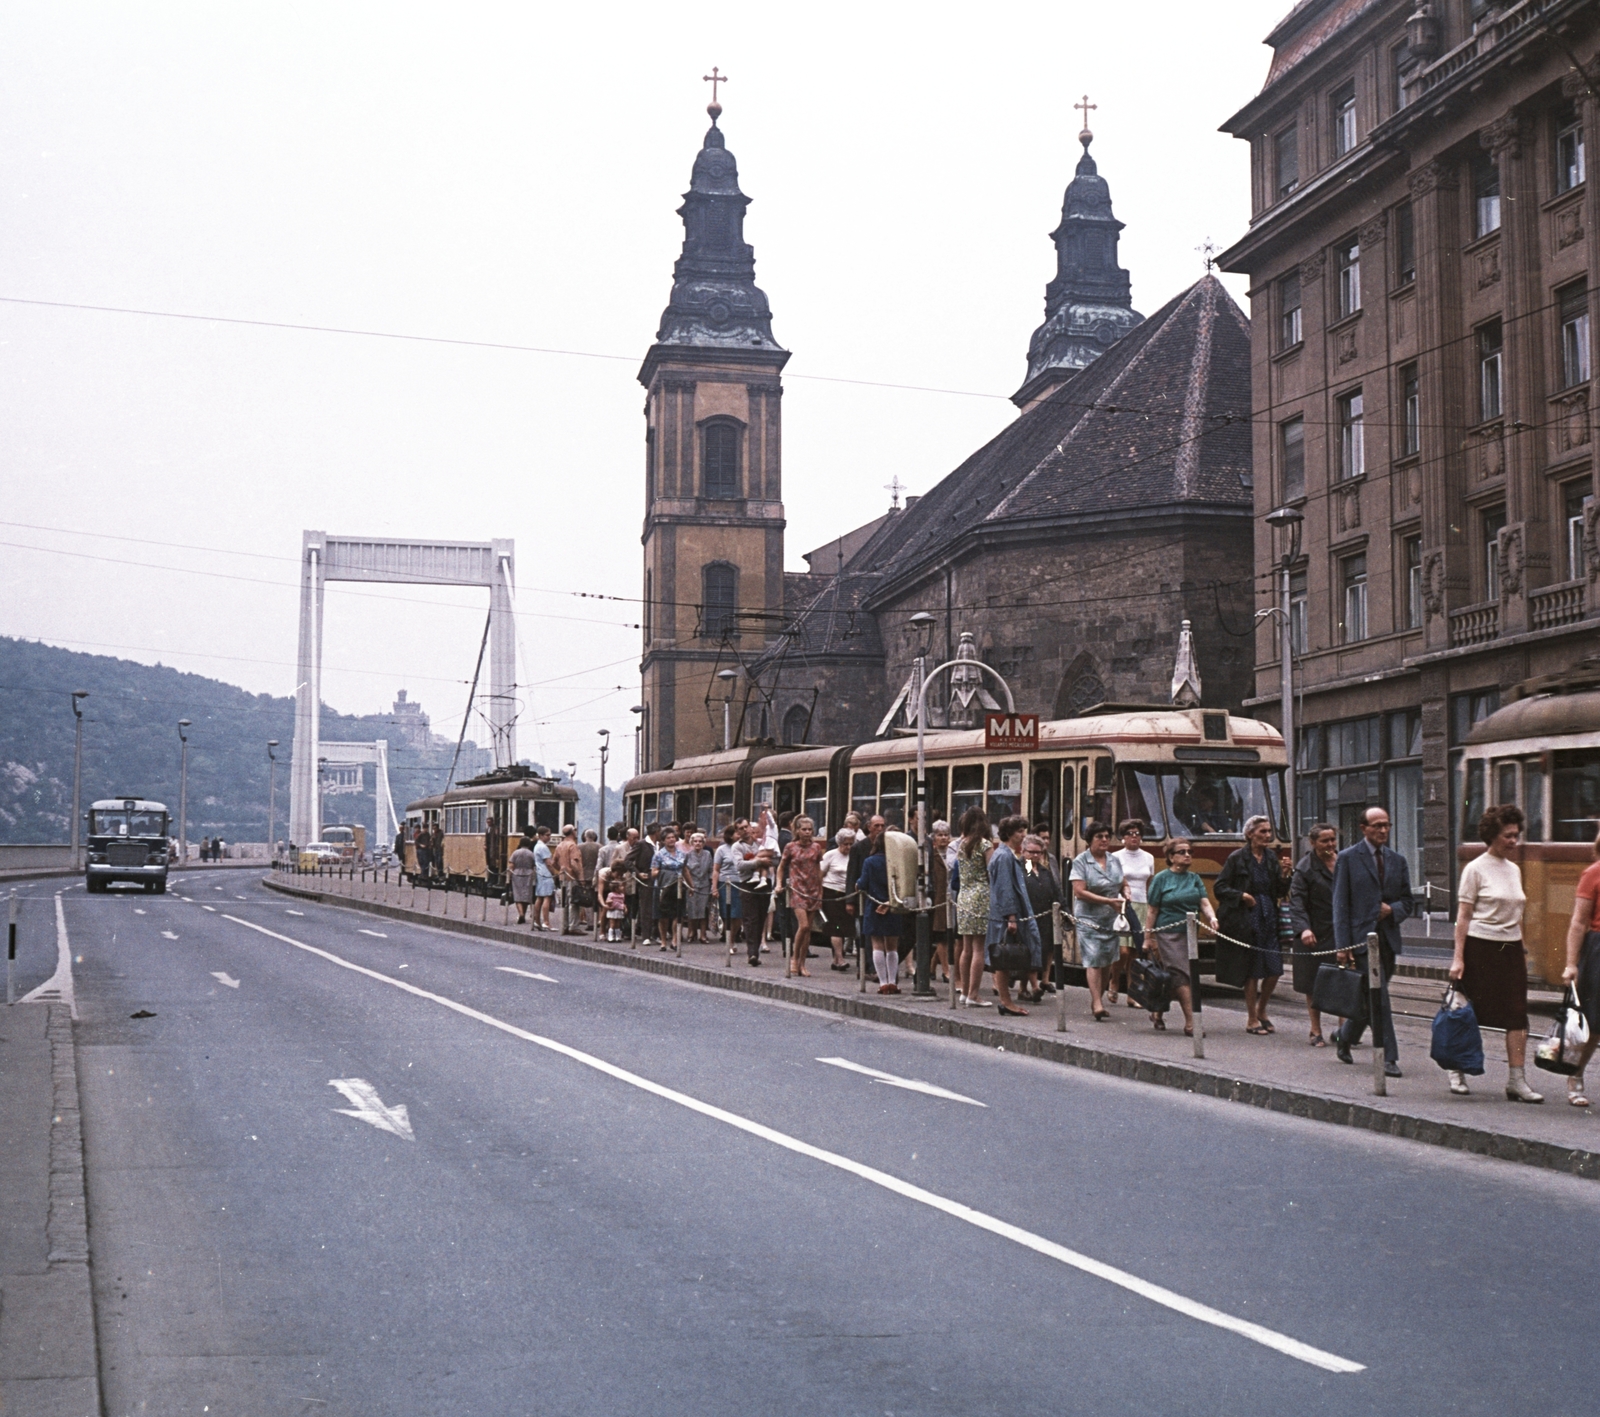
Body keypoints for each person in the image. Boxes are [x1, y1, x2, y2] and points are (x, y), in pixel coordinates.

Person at [1450, 804, 1542, 1102]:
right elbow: (1463, 917)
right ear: (1493, 836)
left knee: (1517, 1013)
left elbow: (1517, 913)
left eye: (1517, 835)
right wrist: (1458, 957)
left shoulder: (1514, 870)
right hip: (1480, 946)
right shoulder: (1475, 869)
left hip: (1510, 948)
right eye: (1508, 836)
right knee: (1466, 1012)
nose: (1514, 841)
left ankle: (1517, 1080)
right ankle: (1456, 1069)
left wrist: (1523, 947)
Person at [1331, 806, 1412, 1077]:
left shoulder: (1397, 860)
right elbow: (1340, 905)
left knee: (1371, 998)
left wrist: (1393, 910)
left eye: (1386, 825)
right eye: (1376, 825)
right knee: (1381, 1000)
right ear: (1363, 828)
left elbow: (1407, 901)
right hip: (1361, 941)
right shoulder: (1348, 858)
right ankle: (1389, 1056)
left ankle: (1345, 1036)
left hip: (1387, 939)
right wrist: (1343, 946)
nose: (1382, 830)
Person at [1215, 815, 1289, 1035]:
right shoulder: (1237, 858)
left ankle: (1262, 1009)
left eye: (1269, 831)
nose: (1267, 835)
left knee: (1274, 967)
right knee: (1252, 969)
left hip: (1269, 916)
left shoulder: (1270, 859)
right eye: (1263, 831)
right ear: (1250, 835)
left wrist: (1285, 875)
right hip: (1247, 918)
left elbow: (1278, 892)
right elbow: (1220, 887)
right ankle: (1251, 1018)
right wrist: (1242, 896)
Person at [1144, 837, 1214, 1035]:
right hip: (1168, 934)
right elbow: (1152, 911)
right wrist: (1148, 938)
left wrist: (1212, 918)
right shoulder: (1161, 879)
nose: (1187, 856)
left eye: (1189, 852)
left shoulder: (1194, 878)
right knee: (1181, 975)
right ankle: (1192, 1022)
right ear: (1170, 857)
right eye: (1182, 852)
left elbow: (1204, 902)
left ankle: (1157, 1011)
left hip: (1190, 934)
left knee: (1179, 975)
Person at [1288, 823, 1339, 1046]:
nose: (1330, 845)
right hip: (1314, 931)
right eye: (1324, 841)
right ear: (1313, 843)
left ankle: (1343, 1030)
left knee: (1343, 980)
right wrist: (1304, 928)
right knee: (1313, 983)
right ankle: (1315, 1030)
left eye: (1332, 840)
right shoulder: (1305, 868)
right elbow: (1296, 900)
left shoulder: (1343, 861)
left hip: (1339, 930)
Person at [1560, 826, 1600, 1107]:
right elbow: (1578, 922)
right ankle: (1575, 1072)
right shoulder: (1592, 874)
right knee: (1595, 1024)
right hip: (1598, 949)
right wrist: (1571, 964)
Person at [1070, 821, 1125, 1020]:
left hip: (1112, 918)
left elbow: (1122, 882)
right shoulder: (1081, 861)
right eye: (1099, 837)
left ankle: (1098, 998)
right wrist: (1108, 900)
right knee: (1093, 959)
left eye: (1107, 836)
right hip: (1088, 917)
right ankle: (1097, 1003)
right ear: (1090, 840)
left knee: (1107, 961)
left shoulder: (1114, 860)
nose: (1104, 840)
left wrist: (1124, 892)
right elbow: (1079, 891)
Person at [987, 815, 1038, 1016]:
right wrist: (1011, 916)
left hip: (1007, 913)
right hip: (1005, 915)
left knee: (1005, 957)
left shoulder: (1008, 855)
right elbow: (1005, 888)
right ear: (1009, 833)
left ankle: (1006, 999)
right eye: (1019, 831)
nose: (1023, 835)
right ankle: (1006, 1001)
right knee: (1004, 957)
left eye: (1024, 830)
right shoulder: (1005, 856)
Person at [1109, 820, 1156, 1007]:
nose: (1134, 836)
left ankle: (1132, 992)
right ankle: (1114, 981)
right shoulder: (1115, 857)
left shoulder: (1149, 857)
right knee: (1123, 951)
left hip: (1142, 904)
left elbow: (1149, 881)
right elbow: (1113, 882)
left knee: (1137, 952)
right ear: (1122, 837)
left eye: (1137, 833)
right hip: (1122, 906)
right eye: (1129, 833)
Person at [777, 815, 827, 977]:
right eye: (803, 829)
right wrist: (779, 884)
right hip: (797, 890)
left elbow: (818, 868)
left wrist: (821, 889)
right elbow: (781, 866)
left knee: (808, 930)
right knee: (803, 925)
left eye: (809, 829)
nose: (807, 832)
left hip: (813, 890)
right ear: (797, 830)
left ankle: (802, 964)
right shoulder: (790, 847)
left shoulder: (816, 848)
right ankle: (794, 957)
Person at [954, 808, 993, 1007]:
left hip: (964, 896)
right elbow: (991, 871)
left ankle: (964, 991)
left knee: (966, 948)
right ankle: (974, 994)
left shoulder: (962, 844)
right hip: (981, 895)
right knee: (979, 948)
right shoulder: (985, 844)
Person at [1021, 833, 1063, 1002]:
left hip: (1044, 918)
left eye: (1038, 852)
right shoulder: (1023, 868)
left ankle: (1023, 989)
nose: (1035, 855)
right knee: (1031, 952)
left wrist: (1064, 910)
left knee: (1041, 951)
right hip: (1028, 918)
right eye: (1031, 852)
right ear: (1023, 851)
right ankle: (1035, 986)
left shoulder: (1044, 871)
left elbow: (1056, 892)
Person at [858, 834, 901, 993]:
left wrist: (857, 885)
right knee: (892, 946)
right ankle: (892, 982)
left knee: (877, 944)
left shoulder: (870, 861)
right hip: (893, 906)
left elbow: (862, 883)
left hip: (874, 905)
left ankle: (883, 983)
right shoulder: (896, 861)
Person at [847, 816, 886, 981]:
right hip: (863, 896)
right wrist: (849, 900)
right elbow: (851, 874)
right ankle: (865, 967)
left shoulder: (885, 846)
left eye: (882, 825)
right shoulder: (859, 847)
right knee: (863, 933)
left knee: (876, 934)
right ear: (869, 827)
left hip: (879, 897)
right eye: (877, 825)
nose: (880, 828)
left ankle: (876, 968)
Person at [818, 827, 856, 971]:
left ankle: (836, 959)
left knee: (845, 927)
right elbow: (820, 874)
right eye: (845, 844)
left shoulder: (854, 855)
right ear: (839, 843)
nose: (848, 847)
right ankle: (840, 958)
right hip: (831, 893)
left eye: (850, 844)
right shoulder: (830, 855)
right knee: (836, 927)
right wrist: (819, 895)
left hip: (847, 895)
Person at [737, 847, 776, 966]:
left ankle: (755, 951)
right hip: (747, 883)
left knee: (760, 918)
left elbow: (775, 858)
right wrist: (759, 861)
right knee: (750, 918)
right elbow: (739, 865)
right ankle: (752, 953)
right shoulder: (738, 846)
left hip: (765, 884)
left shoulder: (766, 842)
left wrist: (760, 857)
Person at [651, 827, 688, 951]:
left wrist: (691, 886)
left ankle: (675, 940)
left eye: (673, 837)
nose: (671, 840)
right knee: (664, 915)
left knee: (678, 914)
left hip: (678, 887)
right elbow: (654, 872)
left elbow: (685, 870)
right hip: (664, 887)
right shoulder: (659, 854)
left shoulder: (682, 853)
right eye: (668, 838)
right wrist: (665, 873)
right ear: (663, 840)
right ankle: (663, 941)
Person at [930, 821, 954, 984]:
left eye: (946, 835)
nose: (944, 838)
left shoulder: (953, 853)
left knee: (946, 935)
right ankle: (946, 970)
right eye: (940, 835)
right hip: (938, 899)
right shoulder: (931, 856)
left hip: (951, 899)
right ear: (934, 838)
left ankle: (931, 967)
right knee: (942, 937)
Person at [712, 824, 744, 944]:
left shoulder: (743, 847)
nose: (740, 835)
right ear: (730, 835)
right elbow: (716, 869)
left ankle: (732, 937)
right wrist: (714, 888)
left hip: (741, 883)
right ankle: (729, 940)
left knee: (739, 914)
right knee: (728, 914)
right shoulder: (722, 849)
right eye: (737, 833)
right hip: (726, 884)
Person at [681, 831, 713, 943]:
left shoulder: (708, 854)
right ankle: (691, 933)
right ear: (692, 843)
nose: (698, 843)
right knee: (692, 909)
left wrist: (712, 885)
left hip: (704, 885)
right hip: (692, 885)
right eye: (695, 841)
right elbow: (684, 871)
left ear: (703, 843)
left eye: (700, 841)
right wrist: (689, 885)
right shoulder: (687, 855)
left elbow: (711, 870)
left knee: (703, 910)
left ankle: (703, 935)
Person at [554, 825, 583, 932]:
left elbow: (554, 862)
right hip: (572, 877)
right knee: (573, 902)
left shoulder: (560, 845)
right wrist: (579, 877)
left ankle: (564, 925)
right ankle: (574, 926)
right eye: (575, 829)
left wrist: (561, 869)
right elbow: (574, 863)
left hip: (563, 877)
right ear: (573, 832)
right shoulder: (573, 846)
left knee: (564, 902)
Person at [532, 826, 557, 930]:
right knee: (547, 897)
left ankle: (537, 921)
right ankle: (546, 922)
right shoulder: (543, 847)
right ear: (541, 835)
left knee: (540, 898)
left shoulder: (537, 846)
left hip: (539, 873)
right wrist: (555, 874)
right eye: (547, 835)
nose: (549, 837)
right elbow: (549, 863)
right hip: (546, 874)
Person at [508, 836, 537, 925]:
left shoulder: (516, 853)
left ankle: (521, 914)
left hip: (517, 874)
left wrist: (509, 876)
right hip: (528, 874)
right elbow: (534, 865)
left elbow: (511, 865)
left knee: (517, 895)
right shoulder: (531, 853)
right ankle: (523, 914)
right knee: (526, 895)